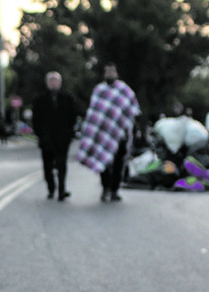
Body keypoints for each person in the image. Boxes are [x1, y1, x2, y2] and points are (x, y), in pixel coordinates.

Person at [76, 62, 141, 202]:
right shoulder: (99, 90)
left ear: (117, 73)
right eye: (107, 72)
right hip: (102, 135)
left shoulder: (125, 90)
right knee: (103, 162)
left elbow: (132, 111)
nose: (110, 74)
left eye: (112, 71)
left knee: (118, 164)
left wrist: (133, 130)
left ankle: (114, 190)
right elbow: (94, 113)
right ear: (104, 74)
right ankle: (105, 187)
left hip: (120, 135)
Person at [31, 71, 80, 200]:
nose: (53, 83)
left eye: (55, 80)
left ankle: (62, 189)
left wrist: (70, 133)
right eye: (51, 80)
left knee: (61, 163)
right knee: (47, 165)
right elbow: (36, 119)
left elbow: (73, 116)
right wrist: (40, 134)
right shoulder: (40, 99)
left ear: (60, 82)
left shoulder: (67, 98)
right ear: (47, 83)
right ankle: (51, 188)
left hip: (62, 138)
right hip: (46, 138)